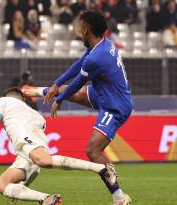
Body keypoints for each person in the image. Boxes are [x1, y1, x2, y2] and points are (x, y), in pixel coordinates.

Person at [24, 11, 132, 205]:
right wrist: (57, 84)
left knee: (92, 150)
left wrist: (60, 99)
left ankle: (119, 197)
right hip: (104, 94)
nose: (77, 29)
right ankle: (35, 91)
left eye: (79, 26)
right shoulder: (103, 45)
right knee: (67, 90)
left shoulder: (97, 57)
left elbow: (78, 81)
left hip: (114, 106)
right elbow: (79, 65)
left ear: (86, 29)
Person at [0, 87, 117, 205]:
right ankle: (46, 198)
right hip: (28, 148)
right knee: (2, 184)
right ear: (23, 99)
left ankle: (101, 168)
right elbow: (34, 171)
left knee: (44, 161)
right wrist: (19, 190)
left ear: (7, 97)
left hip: (25, 139)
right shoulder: (36, 114)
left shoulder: (2, 101)